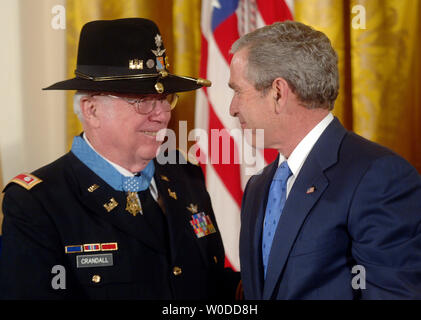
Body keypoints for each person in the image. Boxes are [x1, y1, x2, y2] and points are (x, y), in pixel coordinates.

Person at [0, 18, 239, 299]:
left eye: (165, 99)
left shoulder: (183, 175)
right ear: (92, 110)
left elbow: (210, 288)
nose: (162, 114)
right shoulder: (38, 203)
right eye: (143, 100)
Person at [229, 20, 421, 299]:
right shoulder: (259, 187)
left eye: (237, 91)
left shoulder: (379, 177)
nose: (232, 108)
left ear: (278, 93)